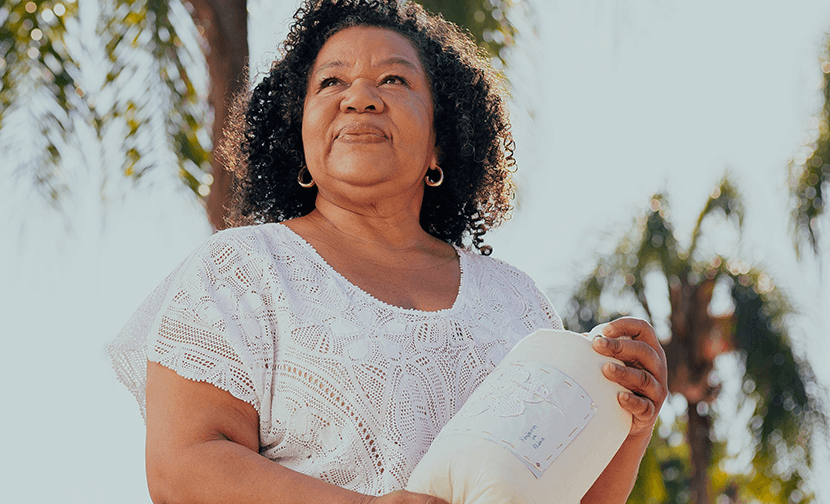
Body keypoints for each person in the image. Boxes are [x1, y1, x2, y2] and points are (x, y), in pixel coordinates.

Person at [107, 1, 669, 503]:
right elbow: (182, 468)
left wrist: (629, 420)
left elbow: (558, 492)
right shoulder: (242, 269)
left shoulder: (518, 304)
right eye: (330, 83)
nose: (360, 98)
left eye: (394, 80)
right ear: (298, 134)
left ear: (439, 142)